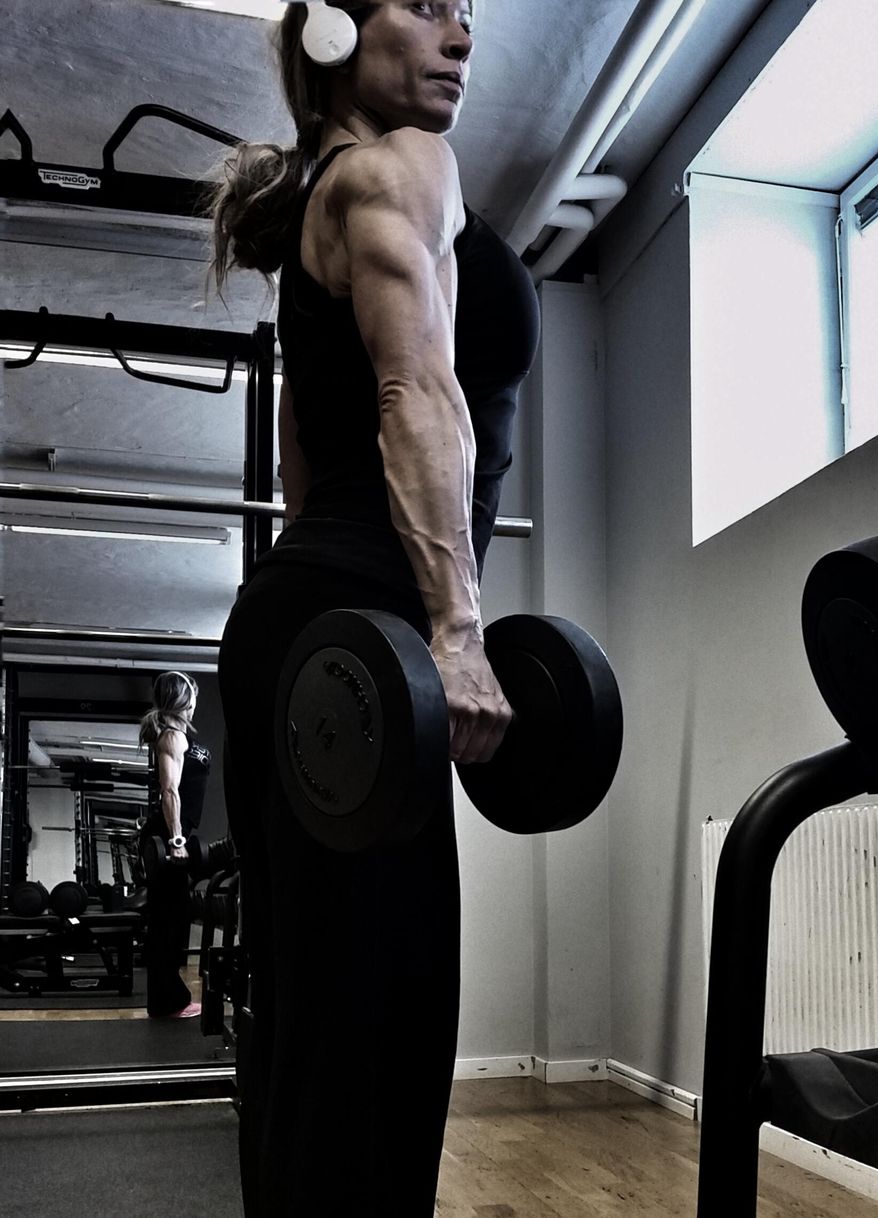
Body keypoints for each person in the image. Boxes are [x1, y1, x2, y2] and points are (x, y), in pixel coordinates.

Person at [211, 2, 540, 1212]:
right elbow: (415, 390)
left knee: (314, 1017)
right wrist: (452, 629)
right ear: (336, 31)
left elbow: (302, 461)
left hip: (311, 625)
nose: (462, 36)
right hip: (367, 629)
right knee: (381, 1028)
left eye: (470, 15)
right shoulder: (404, 163)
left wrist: (341, 632)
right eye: (427, 4)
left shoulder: (326, 195)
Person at [138, 670, 211, 1019]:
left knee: (174, 917)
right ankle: (168, 1003)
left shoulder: (177, 735)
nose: (195, 704)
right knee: (168, 920)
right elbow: (170, 790)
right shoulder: (171, 736)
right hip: (168, 834)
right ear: (183, 699)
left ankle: (169, 1000)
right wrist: (177, 838)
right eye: (192, 696)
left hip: (172, 832)